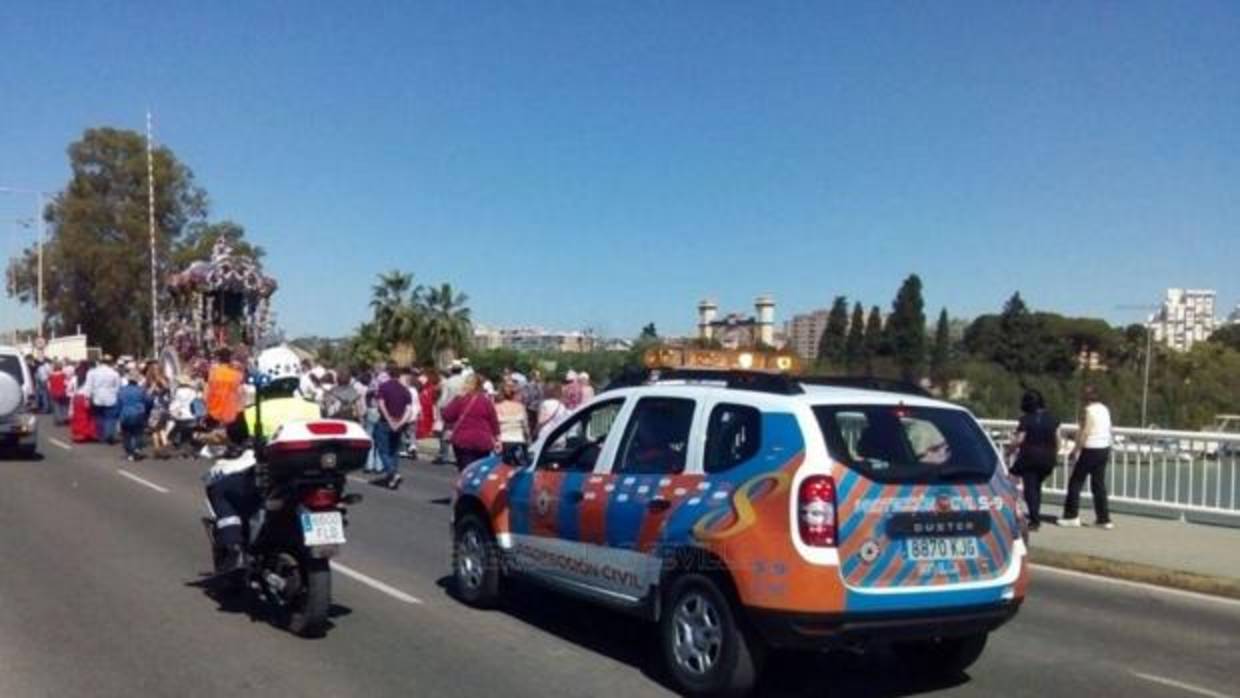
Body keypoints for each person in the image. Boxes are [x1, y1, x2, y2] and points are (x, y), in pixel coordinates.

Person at [203, 419, 260, 574]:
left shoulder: (255, 410)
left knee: (221, 492)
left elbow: (230, 434)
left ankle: (234, 548)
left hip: (262, 469)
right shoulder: (308, 406)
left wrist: (199, 437)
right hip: (310, 472)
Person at [1060, 385, 1114, 529]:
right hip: (1104, 448)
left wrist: (1075, 450)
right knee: (1098, 484)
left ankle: (1071, 516)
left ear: (1085, 398)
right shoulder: (1104, 409)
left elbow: (1085, 432)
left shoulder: (1087, 411)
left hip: (1091, 448)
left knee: (1075, 482)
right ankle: (1104, 519)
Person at [1007, 390, 1060, 530]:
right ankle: (1034, 513)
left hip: (1030, 458)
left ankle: (1034, 520)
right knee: (1036, 487)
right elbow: (1057, 439)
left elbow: (1020, 440)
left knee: (1030, 488)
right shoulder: (1052, 419)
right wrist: (1055, 454)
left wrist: (1009, 451)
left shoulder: (1026, 420)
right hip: (1048, 458)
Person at [443, 374, 500, 471]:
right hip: (483, 441)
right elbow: (494, 422)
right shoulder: (486, 402)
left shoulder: (461, 399)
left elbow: (447, 416)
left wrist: (456, 399)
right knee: (479, 471)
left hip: (463, 440)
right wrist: (497, 437)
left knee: (466, 470)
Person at [374, 370, 414, 489]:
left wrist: (389, 420)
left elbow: (381, 404)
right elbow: (408, 410)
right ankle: (392, 477)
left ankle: (392, 473)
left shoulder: (384, 387)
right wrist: (400, 423)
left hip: (385, 422)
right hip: (398, 421)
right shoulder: (406, 391)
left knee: (383, 450)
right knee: (393, 450)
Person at [434, 361, 467, 465]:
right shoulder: (466, 382)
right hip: (463, 410)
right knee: (460, 433)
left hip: (450, 409)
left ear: (452, 370)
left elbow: (444, 398)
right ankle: (459, 457)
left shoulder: (448, 382)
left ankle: (444, 456)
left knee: (446, 433)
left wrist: (439, 409)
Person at [84, 355, 122, 444]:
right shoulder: (114, 373)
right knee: (110, 418)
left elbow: (89, 386)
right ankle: (108, 435)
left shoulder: (92, 372)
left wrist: (87, 398)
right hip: (111, 398)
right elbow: (118, 387)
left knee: (99, 418)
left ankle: (101, 436)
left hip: (97, 397)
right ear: (110, 362)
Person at [117, 369, 151, 461]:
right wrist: (147, 411)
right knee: (138, 433)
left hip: (125, 413)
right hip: (138, 413)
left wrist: (118, 415)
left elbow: (118, 403)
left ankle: (129, 452)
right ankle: (136, 448)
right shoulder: (141, 390)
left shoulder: (122, 390)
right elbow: (148, 401)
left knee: (126, 434)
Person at [206, 348, 245, 427]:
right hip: (231, 415)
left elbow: (207, 394)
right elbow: (241, 393)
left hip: (215, 415)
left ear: (219, 359)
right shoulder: (236, 375)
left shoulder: (213, 374)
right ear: (230, 358)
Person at [495, 380, 530, 463]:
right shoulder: (520, 407)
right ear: (515, 394)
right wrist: (528, 441)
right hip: (518, 442)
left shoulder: (497, 407)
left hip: (503, 442)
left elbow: (494, 427)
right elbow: (526, 428)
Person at [70, 361, 97, 443]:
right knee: (90, 416)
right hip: (86, 397)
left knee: (79, 417)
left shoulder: (75, 377)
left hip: (77, 398)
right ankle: (90, 433)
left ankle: (80, 434)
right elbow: (91, 388)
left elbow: (71, 388)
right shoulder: (90, 375)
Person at [48, 360, 71, 425]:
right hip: (63, 392)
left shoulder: (51, 376)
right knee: (64, 406)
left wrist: (50, 391)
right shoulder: (63, 375)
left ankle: (58, 420)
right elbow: (66, 383)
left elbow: (49, 385)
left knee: (56, 407)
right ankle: (65, 418)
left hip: (54, 393)